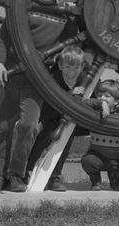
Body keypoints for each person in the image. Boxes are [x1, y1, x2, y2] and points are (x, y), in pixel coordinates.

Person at [0, 0, 70, 192]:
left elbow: (77, 40)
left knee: (29, 125)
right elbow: (2, 39)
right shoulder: (21, 10)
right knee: (3, 127)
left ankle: (16, 175)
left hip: (38, 79)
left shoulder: (65, 17)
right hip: (10, 75)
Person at [25, 46, 88, 192]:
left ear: (83, 66)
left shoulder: (85, 79)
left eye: (77, 67)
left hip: (71, 120)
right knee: (40, 143)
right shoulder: (54, 78)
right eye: (67, 66)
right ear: (60, 65)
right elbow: (54, 98)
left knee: (64, 149)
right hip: (51, 116)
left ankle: (54, 178)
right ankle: (26, 172)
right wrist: (72, 93)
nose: (72, 71)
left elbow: (93, 97)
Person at [81, 80, 119, 191]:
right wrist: (100, 104)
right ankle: (96, 181)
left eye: (107, 96)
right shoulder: (93, 113)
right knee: (88, 161)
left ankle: (115, 180)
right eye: (99, 95)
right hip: (97, 156)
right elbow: (83, 103)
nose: (102, 97)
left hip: (117, 160)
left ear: (117, 101)